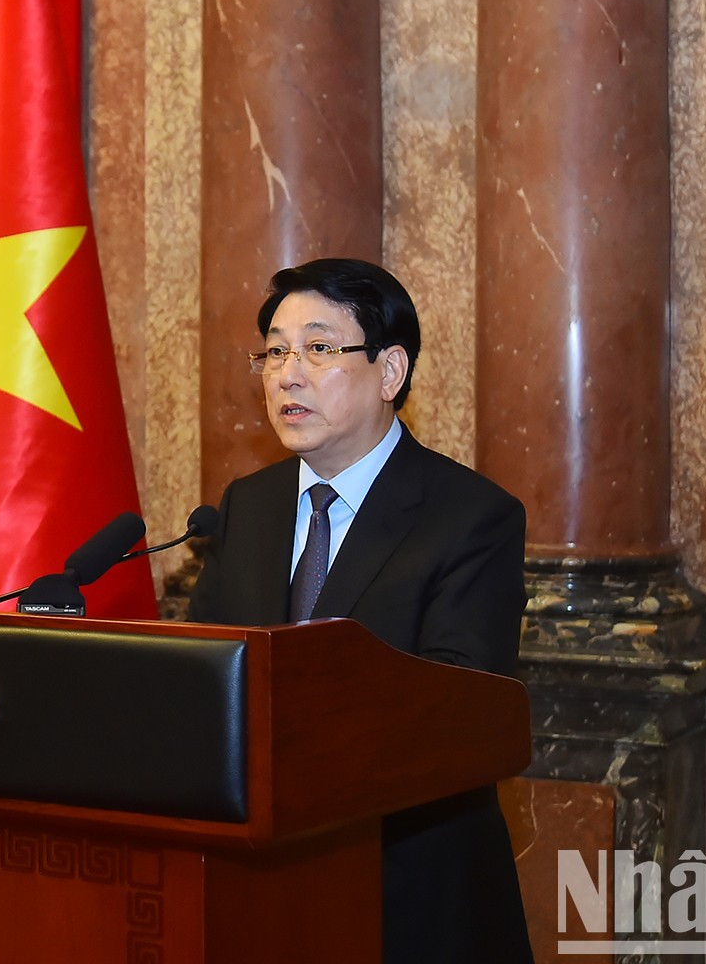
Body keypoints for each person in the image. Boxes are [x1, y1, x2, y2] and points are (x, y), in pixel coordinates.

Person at [188, 257, 532, 962]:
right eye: (275, 351)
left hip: (410, 896)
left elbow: (455, 713)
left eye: (319, 348)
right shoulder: (247, 508)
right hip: (263, 891)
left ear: (390, 371)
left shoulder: (471, 517)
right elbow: (201, 672)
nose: (288, 372)